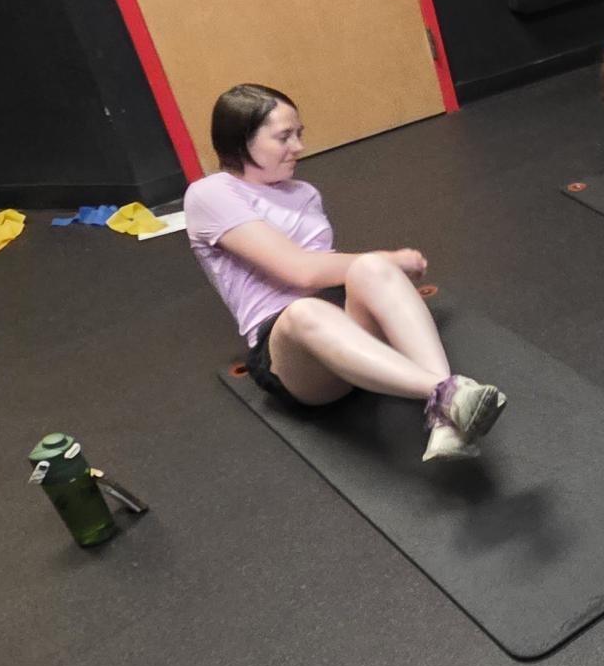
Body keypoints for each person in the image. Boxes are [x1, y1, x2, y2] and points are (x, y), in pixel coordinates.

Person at [185, 84, 506, 462]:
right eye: (284, 137)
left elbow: (333, 267)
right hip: (291, 348)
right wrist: (393, 258)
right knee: (308, 309)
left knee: (369, 267)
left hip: (343, 318)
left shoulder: (303, 192)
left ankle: (445, 411)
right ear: (241, 141)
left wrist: (380, 265)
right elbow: (299, 271)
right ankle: (443, 391)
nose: (299, 146)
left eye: (299, 134)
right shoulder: (211, 194)